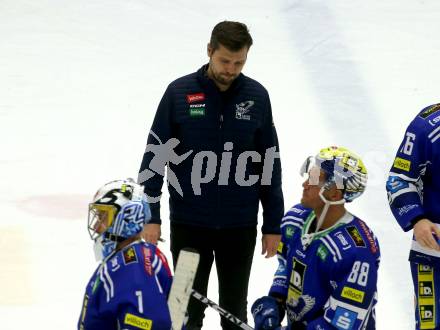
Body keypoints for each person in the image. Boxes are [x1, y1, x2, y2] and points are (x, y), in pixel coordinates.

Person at [138, 21, 284, 329]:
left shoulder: (257, 97)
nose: (231, 69)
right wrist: (151, 215)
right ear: (209, 51)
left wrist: (272, 223)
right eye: (224, 61)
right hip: (189, 227)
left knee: (234, 311)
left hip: (239, 228)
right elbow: (154, 158)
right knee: (183, 311)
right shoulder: (179, 93)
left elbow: (270, 164)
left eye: (239, 62)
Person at [252, 146, 380, 329]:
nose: (305, 184)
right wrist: (276, 302)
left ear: (335, 193)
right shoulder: (295, 219)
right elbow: (285, 265)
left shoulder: (357, 251)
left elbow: (345, 320)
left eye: (314, 179)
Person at [77, 179, 173, 330]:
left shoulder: (132, 269)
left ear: (127, 218)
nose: (96, 227)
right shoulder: (130, 257)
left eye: (103, 217)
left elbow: (146, 324)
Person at [386, 103, 440, 330]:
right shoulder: (427, 125)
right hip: (433, 247)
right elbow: (399, 178)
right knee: (430, 325)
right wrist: (417, 219)